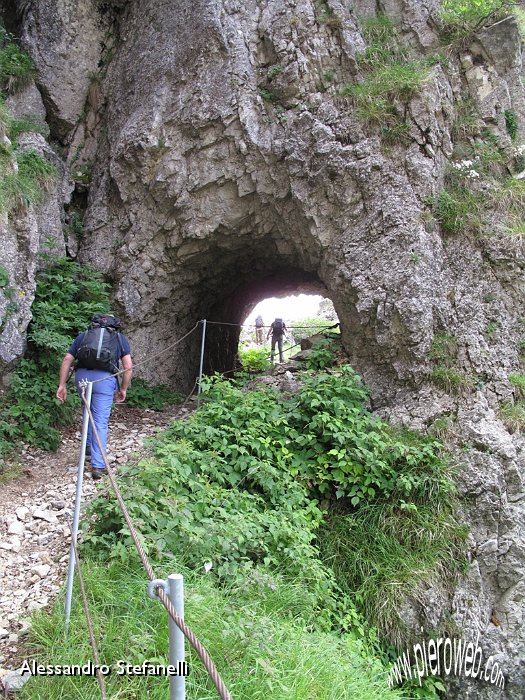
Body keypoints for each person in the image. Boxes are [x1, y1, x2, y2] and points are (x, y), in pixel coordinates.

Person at [56, 315, 133, 480]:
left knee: (87, 410)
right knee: (100, 421)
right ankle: (98, 466)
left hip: (82, 377)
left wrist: (62, 385)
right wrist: (123, 389)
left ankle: (89, 447)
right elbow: (128, 367)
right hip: (103, 380)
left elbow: (68, 359)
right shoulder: (119, 338)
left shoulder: (84, 336)